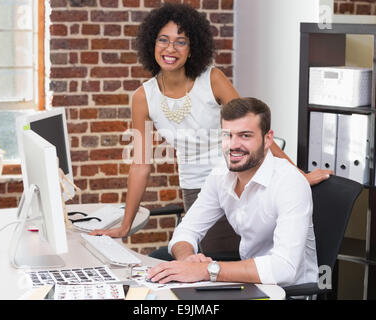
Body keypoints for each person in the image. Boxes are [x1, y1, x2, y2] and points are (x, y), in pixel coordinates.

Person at [90, 3, 331, 256]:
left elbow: (254, 132)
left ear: (192, 49)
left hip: (239, 180)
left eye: (180, 42)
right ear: (152, 43)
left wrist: (297, 175)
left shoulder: (212, 79)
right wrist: (125, 226)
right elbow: (140, 165)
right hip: (197, 188)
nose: (170, 49)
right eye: (163, 40)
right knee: (201, 255)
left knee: (229, 258)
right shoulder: (143, 98)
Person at [146, 97, 319, 287]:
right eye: (227, 135)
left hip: (286, 291)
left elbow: (283, 268)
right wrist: (188, 260)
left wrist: (206, 270)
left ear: (267, 139)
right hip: (248, 283)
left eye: (245, 136)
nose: (233, 145)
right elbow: (187, 230)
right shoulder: (221, 174)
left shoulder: (289, 182)